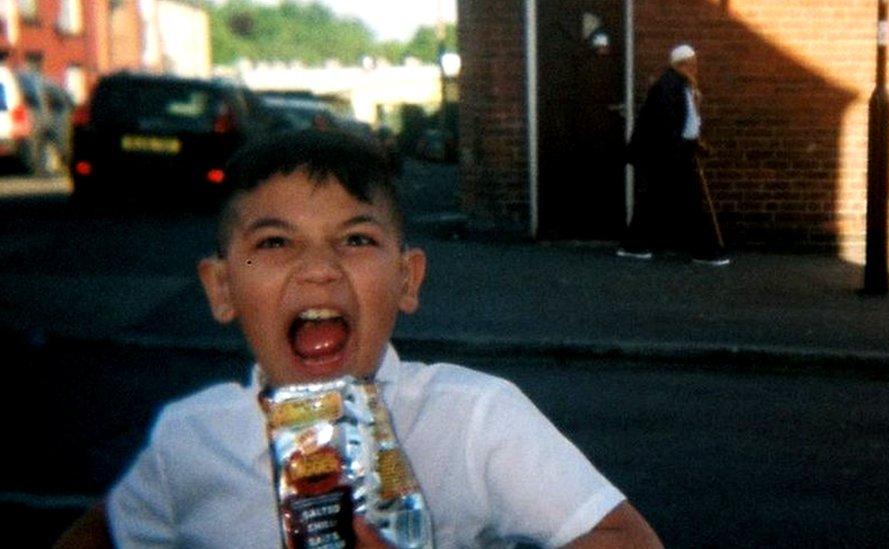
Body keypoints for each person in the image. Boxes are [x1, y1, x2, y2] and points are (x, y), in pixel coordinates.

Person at [55, 130, 664, 548]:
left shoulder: (476, 418)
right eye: (274, 242)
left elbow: (629, 539)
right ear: (220, 289)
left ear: (407, 277)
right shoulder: (189, 439)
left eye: (355, 240)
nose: (319, 268)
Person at [618, 44, 730, 266]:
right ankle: (704, 251)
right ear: (682, 64)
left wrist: (694, 142)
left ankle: (634, 246)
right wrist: (686, 147)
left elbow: (686, 122)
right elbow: (666, 125)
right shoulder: (669, 86)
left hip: (668, 152)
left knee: (652, 200)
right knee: (689, 200)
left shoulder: (682, 85)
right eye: (692, 63)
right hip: (665, 153)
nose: (696, 68)